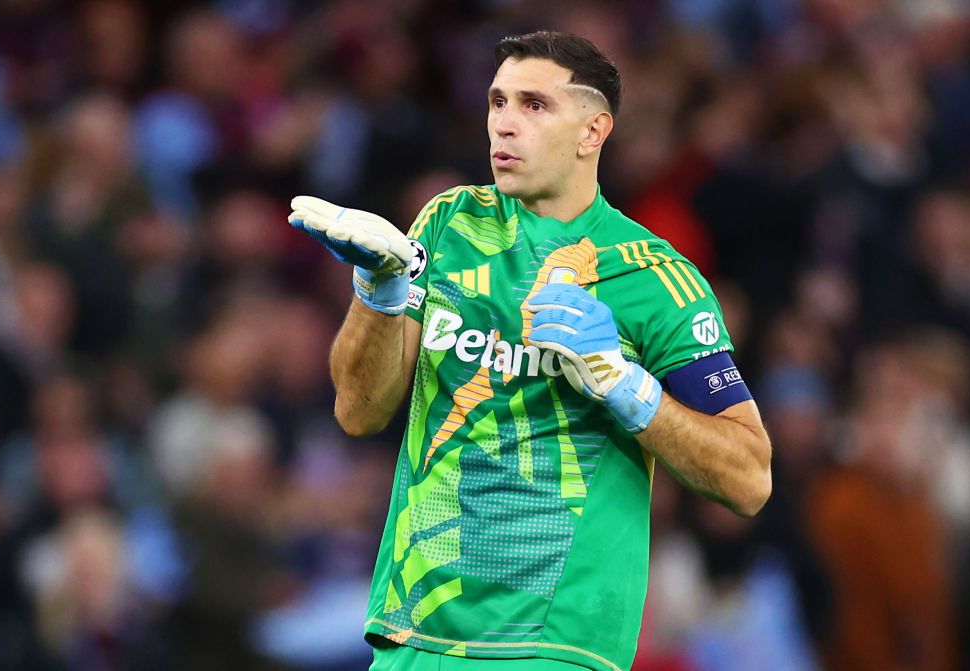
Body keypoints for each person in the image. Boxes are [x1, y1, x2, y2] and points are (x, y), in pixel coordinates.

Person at [288, 31, 772, 671]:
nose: (504, 125)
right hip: (413, 631)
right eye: (497, 102)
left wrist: (626, 385)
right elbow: (358, 411)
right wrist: (380, 293)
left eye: (534, 106)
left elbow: (749, 479)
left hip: (552, 642)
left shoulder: (654, 277)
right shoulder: (448, 224)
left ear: (593, 132)